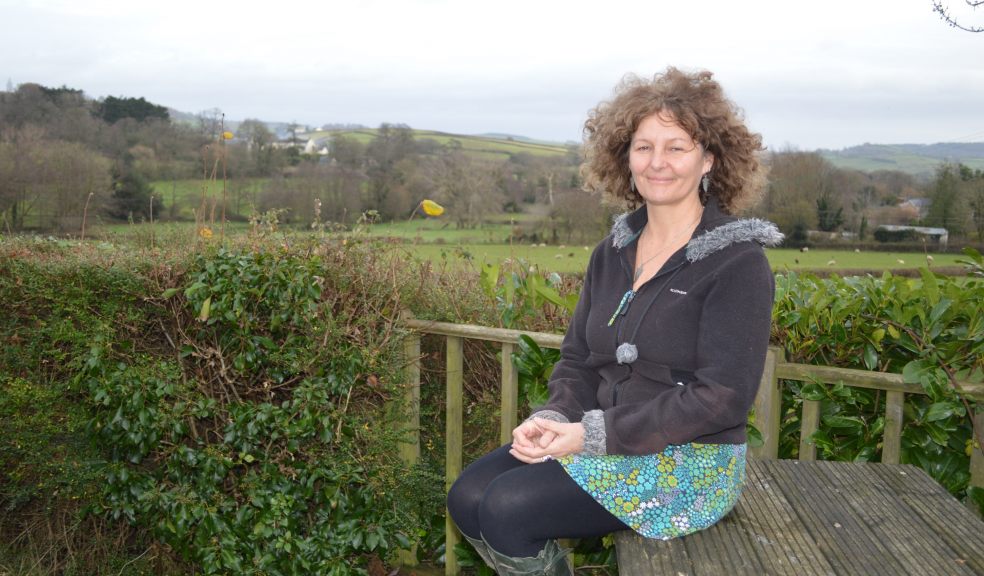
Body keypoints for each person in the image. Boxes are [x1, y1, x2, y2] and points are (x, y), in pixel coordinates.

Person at [446, 67, 784, 575]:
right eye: (643, 147)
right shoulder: (612, 251)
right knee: (467, 496)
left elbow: (721, 398)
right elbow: (579, 359)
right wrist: (555, 417)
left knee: (507, 507)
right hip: (599, 437)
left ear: (709, 159)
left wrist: (590, 436)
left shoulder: (737, 262)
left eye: (676, 147)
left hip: (690, 461)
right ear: (625, 158)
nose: (657, 162)